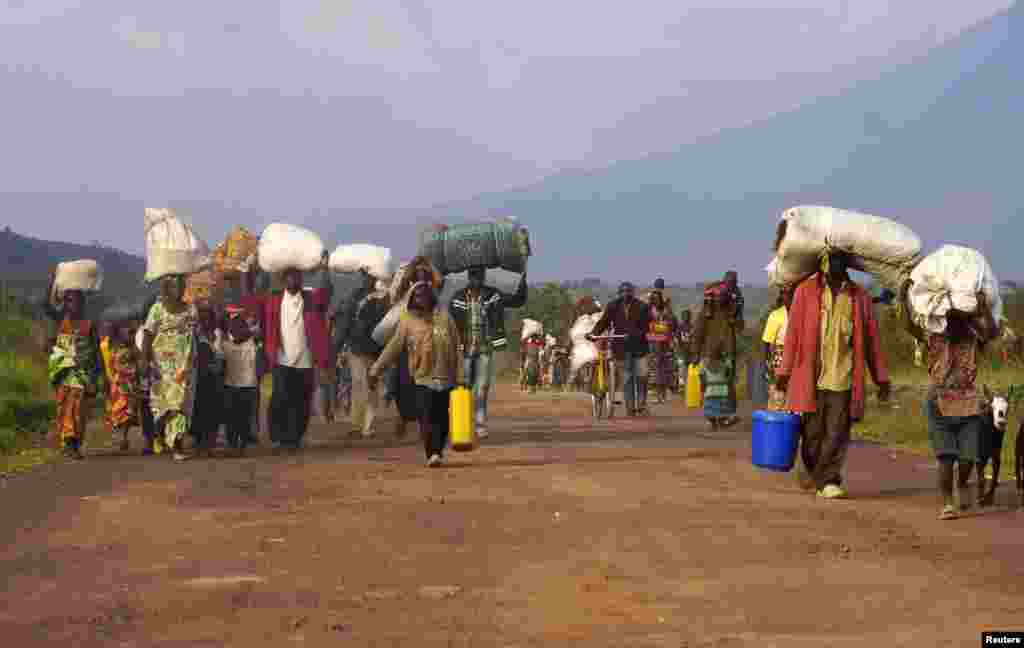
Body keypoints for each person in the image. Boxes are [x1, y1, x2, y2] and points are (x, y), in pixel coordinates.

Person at [775, 251, 891, 499]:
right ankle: (814, 472)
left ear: (847, 265)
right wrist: (783, 373)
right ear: (823, 264)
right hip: (810, 377)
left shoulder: (859, 297)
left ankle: (829, 480)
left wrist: (881, 378)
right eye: (831, 261)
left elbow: (871, 341)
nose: (835, 266)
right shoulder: (805, 292)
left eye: (841, 261)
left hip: (844, 376)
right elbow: (793, 335)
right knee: (812, 433)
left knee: (837, 432)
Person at [902, 286, 999, 519]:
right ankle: (947, 503)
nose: (954, 322)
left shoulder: (974, 339)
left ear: (967, 319)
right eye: (950, 318)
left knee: (968, 458)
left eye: (959, 318)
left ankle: (960, 486)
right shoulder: (934, 338)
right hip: (939, 403)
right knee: (946, 457)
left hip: (968, 404)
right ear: (945, 320)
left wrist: (984, 306)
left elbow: (992, 332)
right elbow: (911, 327)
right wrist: (904, 298)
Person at [241, 253, 332, 451]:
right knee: (280, 398)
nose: (294, 280)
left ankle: (295, 438)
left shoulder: (310, 298)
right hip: (281, 359)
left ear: (301, 279)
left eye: (297, 276)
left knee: (302, 401)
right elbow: (250, 299)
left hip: (306, 360)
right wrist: (248, 271)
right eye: (290, 277)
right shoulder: (273, 300)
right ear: (284, 281)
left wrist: (324, 269)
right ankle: (278, 437)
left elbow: (326, 293)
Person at [369, 281, 461, 467]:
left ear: (431, 297)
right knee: (426, 416)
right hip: (422, 377)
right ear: (412, 299)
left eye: (425, 295)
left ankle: (438, 450)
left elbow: (457, 348)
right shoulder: (407, 321)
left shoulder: (445, 318)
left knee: (443, 419)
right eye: (418, 296)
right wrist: (376, 369)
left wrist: (461, 376)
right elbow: (394, 346)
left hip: (446, 377)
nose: (422, 299)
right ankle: (431, 453)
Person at [449, 266, 528, 438]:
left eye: (479, 275)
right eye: (473, 275)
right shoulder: (457, 298)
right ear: (469, 277)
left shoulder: (494, 296)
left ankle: (479, 424)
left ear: (484, 277)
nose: (476, 279)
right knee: (464, 386)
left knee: (483, 387)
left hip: (485, 347)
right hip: (464, 349)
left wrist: (523, 280)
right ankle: (463, 421)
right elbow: (451, 324)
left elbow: (517, 300)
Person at [140, 274, 200, 462]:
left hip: (183, 367)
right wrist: (144, 359)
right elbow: (148, 335)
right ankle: (160, 434)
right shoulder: (157, 310)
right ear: (166, 288)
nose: (179, 289)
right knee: (162, 406)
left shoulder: (191, 310)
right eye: (174, 286)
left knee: (180, 404)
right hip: (161, 368)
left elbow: (194, 336)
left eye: (181, 285)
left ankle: (177, 445)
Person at [386, 258, 445, 440]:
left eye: (424, 272)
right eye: (417, 273)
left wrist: (427, 262)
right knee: (401, 382)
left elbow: (439, 280)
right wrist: (414, 265)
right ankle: (402, 416)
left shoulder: (431, 292)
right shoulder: (406, 291)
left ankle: (423, 424)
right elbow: (400, 288)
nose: (421, 274)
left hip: (427, 343)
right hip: (406, 342)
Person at [45, 285, 103, 460]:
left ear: (83, 303)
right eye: (70, 300)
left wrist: (100, 377)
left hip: (83, 375)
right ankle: (69, 442)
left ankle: (74, 442)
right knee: (65, 406)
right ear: (65, 303)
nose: (74, 304)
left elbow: (96, 351)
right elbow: (48, 345)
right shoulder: (59, 323)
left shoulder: (89, 325)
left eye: (78, 300)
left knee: (79, 409)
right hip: (64, 373)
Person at [332, 269, 390, 438]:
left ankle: (368, 426)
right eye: (365, 276)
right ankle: (357, 425)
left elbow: (385, 325)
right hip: (356, 348)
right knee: (358, 384)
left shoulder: (381, 299)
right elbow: (346, 322)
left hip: (374, 350)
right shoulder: (355, 297)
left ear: (375, 278)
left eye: (370, 276)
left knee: (371, 386)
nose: (367, 279)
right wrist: (340, 344)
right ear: (362, 277)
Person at [587, 282, 652, 416]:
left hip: (639, 347)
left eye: (628, 292)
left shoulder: (642, 307)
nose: (625, 295)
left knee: (642, 375)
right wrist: (593, 333)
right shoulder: (613, 306)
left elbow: (646, 327)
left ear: (632, 293)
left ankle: (641, 403)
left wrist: (634, 334)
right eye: (623, 292)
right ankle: (630, 408)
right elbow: (603, 323)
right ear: (619, 294)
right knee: (627, 378)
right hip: (621, 348)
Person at [691, 271, 744, 426]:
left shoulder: (733, 308)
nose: (721, 299)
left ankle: (726, 414)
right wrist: (695, 353)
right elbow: (698, 331)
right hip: (711, 352)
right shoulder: (707, 311)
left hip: (727, 351)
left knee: (727, 384)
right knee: (712, 385)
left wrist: (735, 318)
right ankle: (713, 415)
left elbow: (740, 328)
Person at [221, 307, 261, 456]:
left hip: (246, 385)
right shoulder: (226, 342)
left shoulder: (250, 342)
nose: (237, 327)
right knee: (233, 417)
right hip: (233, 385)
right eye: (234, 325)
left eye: (240, 324)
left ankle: (241, 444)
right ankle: (234, 444)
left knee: (243, 417)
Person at [190, 303, 225, 455]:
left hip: (214, 378)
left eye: (207, 316)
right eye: (201, 316)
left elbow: (221, 354)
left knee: (213, 409)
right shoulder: (195, 334)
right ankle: (199, 441)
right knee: (199, 408)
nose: (204, 319)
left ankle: (209, 441)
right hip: (198, 377)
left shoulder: (217, 333)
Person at [105, 322, 142, 452]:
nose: (130, 335)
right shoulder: (113, 349)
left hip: (131, 384)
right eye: (128, 333)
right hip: (120, 384)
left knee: (129, 412)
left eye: (132, 333)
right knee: (120, 411)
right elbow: (110, 367)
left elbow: (139, 364)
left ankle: (124, 437)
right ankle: (122, 437)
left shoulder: (133, 350)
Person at [646, 279, 679, 404]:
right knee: (658, 367)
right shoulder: (654, 309)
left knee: (661, 367)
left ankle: (661, 395)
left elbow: (672, 322)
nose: (656, 296)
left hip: (661, 341)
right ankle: (659, 395)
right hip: (655, 340)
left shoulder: (665, 309)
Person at [762, 288, 794, 411]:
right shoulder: (776, 315)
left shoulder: (802, 312)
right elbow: (766, 342)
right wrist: (767, 362)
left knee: (795, 391)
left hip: (798, 356)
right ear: (782, 296)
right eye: (786, 295)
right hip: (780, 356)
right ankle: (776, 419)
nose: (789, 298)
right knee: (778, 392)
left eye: (791, 295)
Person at [700, 341, 734, 428]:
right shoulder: (726, 362)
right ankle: (721, 422)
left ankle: (714, 423)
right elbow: (729, 376)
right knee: (722, 408)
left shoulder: (704, 363)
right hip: (722, 390)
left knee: (709, 410)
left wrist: (702, 391)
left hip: (710, 390)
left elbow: (702, 378)